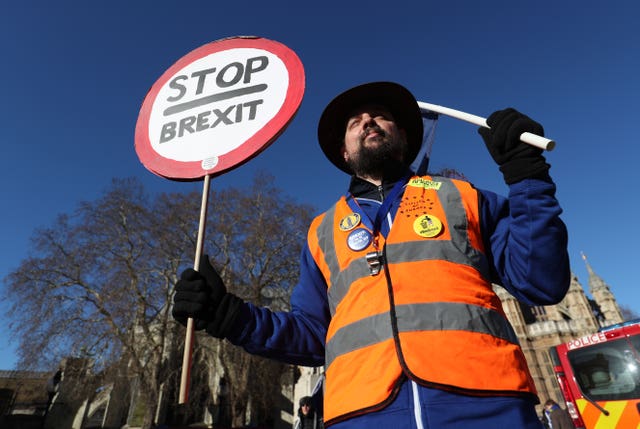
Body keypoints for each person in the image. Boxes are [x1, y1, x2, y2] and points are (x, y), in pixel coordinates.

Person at [172, 81, 570, 428]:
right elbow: (313, 337)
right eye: (354, 122)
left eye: (380, 115)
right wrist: (228, 315)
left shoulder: (462, 196)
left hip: (486, 404)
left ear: (404, 137)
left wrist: (527, 176)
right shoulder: (320, 232)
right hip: (361, 413)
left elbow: (539, 280)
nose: (367, 122)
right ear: (343, 152)